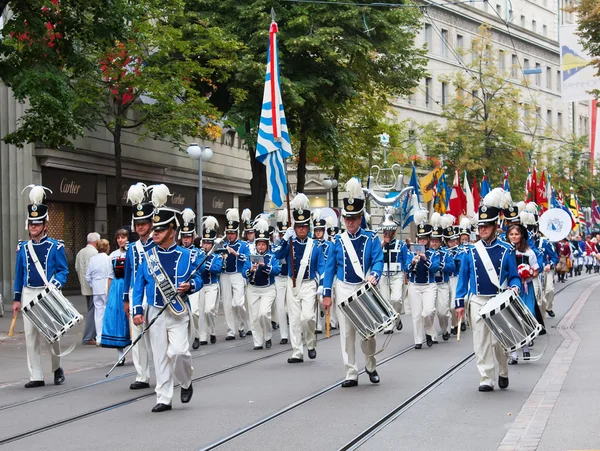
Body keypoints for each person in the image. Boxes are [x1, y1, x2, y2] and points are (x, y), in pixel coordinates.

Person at [132, 184, 202, 413]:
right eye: (155, 230)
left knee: (179, 352)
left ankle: (186, 381)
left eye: (160, 230)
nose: (155, 234)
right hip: (155, 310)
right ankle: (163, 397)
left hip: (179, 311)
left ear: (172, 231)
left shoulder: (186, 255)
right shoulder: (148, 257)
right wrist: (137, 310)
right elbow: (138, 284)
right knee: (160, 356)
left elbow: (199, 278)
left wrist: (191, 285)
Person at [455, 188, 522, 392]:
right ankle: (486, 377)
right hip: (477, 300)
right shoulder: (471, 251)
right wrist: (459, 303)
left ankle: (503, 370)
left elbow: (513, 276)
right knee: (481, 341)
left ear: (495, 226)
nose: (482, 229)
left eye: (486, 225)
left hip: (498, 299)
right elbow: (462, 279)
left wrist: (515, 286)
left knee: (498, 342)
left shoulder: (506, 250)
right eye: (480, 225)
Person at [323, 178, 383, 387]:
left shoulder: (371, 238)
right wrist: (327, 294)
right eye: (347, 218)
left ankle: (371, 364)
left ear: (360, 218)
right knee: (347, 332)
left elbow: (377, 259)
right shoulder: (337, 241)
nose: (350, 222)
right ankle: (350, 372)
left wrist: (375, 274)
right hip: (343, 287)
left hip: (362, 287)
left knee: (368, 331)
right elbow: (330, 268)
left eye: (354, 218)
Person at [13, 185, 69, 387]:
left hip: (48, 294)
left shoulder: (56, 246)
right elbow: (19, 274)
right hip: (29, 292)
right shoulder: (23, 247)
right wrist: (16, 298)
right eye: (31, 225)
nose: (33, 228)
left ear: (45, 225)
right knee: (30, 336)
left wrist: (54, 285)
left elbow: (63, 271)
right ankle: (35, 375)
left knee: (52, 335)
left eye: (37, 225)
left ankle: (56, 368)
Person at [277, 194, 325, 363]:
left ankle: (310, 343)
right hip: (292, 283)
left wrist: (322, 284)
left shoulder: (315, 245)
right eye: (298, 227)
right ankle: (297, 351)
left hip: (309, 284)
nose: (301, 230)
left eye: (304, 227)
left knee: (308, 318)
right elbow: (277, 255)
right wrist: (284, 239)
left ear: (308, 227)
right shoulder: (290, 242)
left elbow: (321, 267)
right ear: (295, 227)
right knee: (295, 320)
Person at [123, 182, 155, 390]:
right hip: (136, 294)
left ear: (151, 223)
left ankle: (165, 370)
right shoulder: (131, 248)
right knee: (137, 337)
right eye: (138, 223)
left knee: (157, 336)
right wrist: (126, 298)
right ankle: (142, 375)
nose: (141, 227)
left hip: (154, 293)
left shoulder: (158, 244)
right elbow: (127, 275)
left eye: (144, 222)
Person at [405, 211, 440, 349]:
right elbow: (406, 269)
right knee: (416, 315)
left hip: (429, 285)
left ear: (429, 240)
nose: (422, 242)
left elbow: (435, 269)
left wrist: (425, 260)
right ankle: (418, 340)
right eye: (420, 239)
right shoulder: (411, 252)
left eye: (425, 239)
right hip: (415, 285)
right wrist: (413, 262)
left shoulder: (433, 253)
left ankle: (429, 331)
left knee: (429, 311)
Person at [244, 219, 281, 350]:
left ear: (267, 245)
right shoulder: (251, 256)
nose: (261, 247)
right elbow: (244, 272)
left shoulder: (272, 257)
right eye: (259, 244)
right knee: (254, 317)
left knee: (264, 314)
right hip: (253, 289)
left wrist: (265, 266)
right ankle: (257, 342)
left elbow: (277, 270)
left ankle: (268, 336)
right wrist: (250, 270)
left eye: (263, 244)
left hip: (268, 289)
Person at [506, 221, 539, 364]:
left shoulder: (529, 252)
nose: (514, 237)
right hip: (510, 289)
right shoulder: (505, 251)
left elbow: (536, 270)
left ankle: (525, 347)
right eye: (511, 234)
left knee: (526, 316)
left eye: (516, 234)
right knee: (512, 319)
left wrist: (528, 273)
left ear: (521, 235)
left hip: (526, 289)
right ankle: (513, 353)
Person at [101, 229, 131, 363]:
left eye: (123, 237)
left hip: (130, 285)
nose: (120, 240)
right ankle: (120, 355)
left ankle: (138, 352)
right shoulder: (112, 255)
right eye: (118, 238)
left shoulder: (132, 252)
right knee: (117, 318)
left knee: (131, 317)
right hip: (117, 288)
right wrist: (108, 295)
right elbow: (110, 276)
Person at [221, 208, 251, 339]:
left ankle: (242, 325)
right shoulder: (222, 244)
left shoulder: (243, 245)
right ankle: (230, 331)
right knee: (227, 304)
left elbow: (248, 259)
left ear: (237, 233)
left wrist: (235, 253)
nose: (230, 235)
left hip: (238, 274)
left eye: (232, 233)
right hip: (225, 274)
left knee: (238, 303)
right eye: (228, 233)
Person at [379, 209, 406, 334]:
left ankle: (397, 317)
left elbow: (406, 260)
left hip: (397, 274)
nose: (387, 233)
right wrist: (384, 243)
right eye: (385, 231)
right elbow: (374, 255)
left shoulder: (401, 245)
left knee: (396, 299)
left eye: (390, 231)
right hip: (384, 274)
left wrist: (408, 274)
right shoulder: (379, 244)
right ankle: (388, 325)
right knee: (385, 300)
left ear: (394, 231)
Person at [429, 213, 455, 342]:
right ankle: (432, 334)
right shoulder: (426, 253)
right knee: (430, 311)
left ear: (440, 241)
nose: (434, 243)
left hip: (442, 283)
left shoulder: (446, 252)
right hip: (429, 284)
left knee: (443, 311)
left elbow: (452, 267)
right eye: (432, 240)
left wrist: (441, 265)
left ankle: (445, 329)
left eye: (436, 241)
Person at [179, 208, 202, 350]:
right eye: (184, 237)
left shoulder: (198, 251)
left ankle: (197, 335)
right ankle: (185, 336)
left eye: (188, 237)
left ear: (192, 237)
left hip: (193, 283)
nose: (186, 239)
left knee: (195, 312)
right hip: (180, 285)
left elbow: (201, 268)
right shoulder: (178, 250)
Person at [198, 217, 224, 345]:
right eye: (204, 243)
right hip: (201, 286)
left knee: (209, 310)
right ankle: (202, 337)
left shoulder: (217, 255)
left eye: (208, 243)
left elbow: (217, 269)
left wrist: (205, 265)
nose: (206, 245)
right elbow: (197, 267)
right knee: (200, 311)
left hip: (212, 285)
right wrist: (203, 261)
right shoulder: (199, 254)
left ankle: (212, 332)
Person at [76, 232, 100, 345]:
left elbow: (77, 268)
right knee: (93, 310)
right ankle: (88, 337)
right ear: (97, 241)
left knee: (91, 309)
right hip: (93, 285)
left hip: (84, 285)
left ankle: (92, 335)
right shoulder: (95, 253)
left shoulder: (81, 252)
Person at [86, 239, 111, 346]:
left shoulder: (93, 259)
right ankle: (106, 335)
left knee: (98, 313)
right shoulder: (109, 259)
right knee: (107, 312)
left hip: (96, 288)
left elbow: (88, 276)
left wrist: (93, 284)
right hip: (106, 287)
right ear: (107, 248)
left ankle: (99, 337)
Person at [272, 209, 290, 345]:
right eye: (282, 233)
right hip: (278, 278)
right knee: (280, 307)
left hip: (290, 277)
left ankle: (296, 329)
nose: (283, 235)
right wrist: (284, 241)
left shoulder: (293, 244)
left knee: (291, 307)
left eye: (285, 233)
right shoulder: (276, 245)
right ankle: (284, 335)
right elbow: (277, 255)